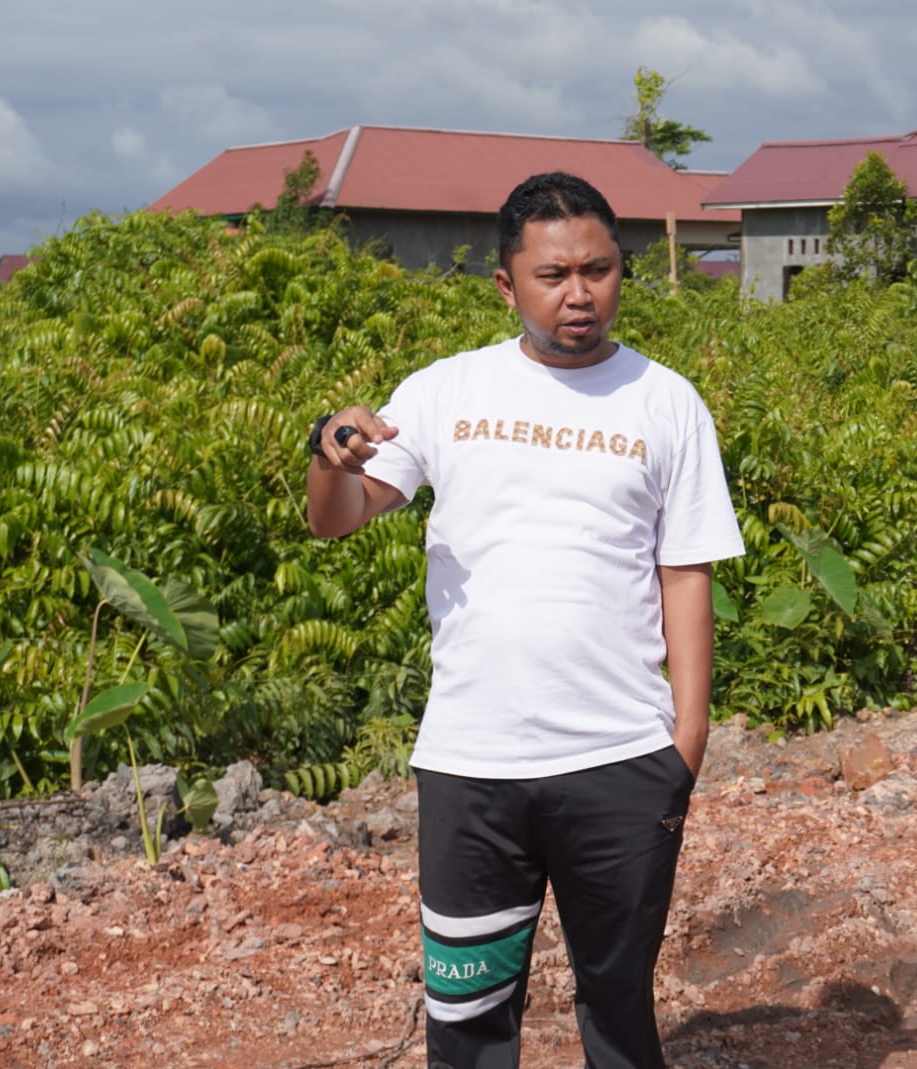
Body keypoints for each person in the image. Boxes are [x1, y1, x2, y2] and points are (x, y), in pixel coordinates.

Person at [305, 171, 745, 1069]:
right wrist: (329, 453)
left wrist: (685, 742)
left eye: (599, 268)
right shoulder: (446, 392)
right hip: (474, 767)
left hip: (620, 761)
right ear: (507, 285)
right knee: (468, 1020)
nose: (579, 293)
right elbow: (336, 517)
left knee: (620, 1004)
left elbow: (685, 572)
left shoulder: (667, 401)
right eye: (553, 275)